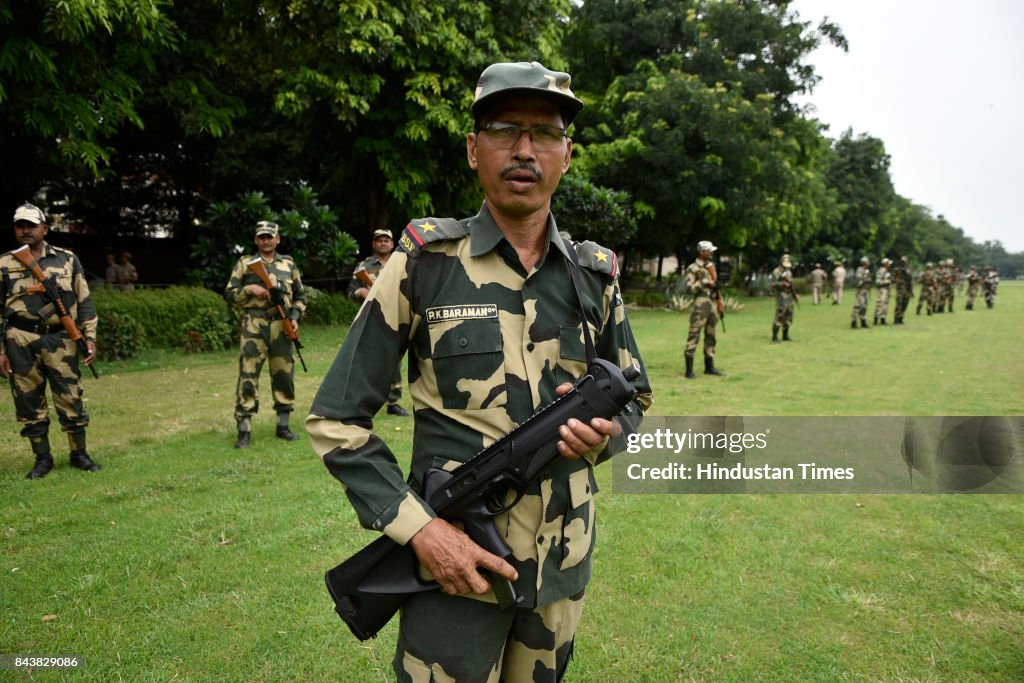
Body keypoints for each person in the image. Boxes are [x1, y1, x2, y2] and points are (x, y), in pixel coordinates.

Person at [306, 61, 652, 681]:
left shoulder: (593, 276)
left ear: (566, 155)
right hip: (453, 572)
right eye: (503, 129)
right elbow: (336, 421)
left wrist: (606, 437)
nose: (524, 150)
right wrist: (422, 534)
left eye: (545, 133)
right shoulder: (424, 265)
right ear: (473, 149)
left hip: (559, 571)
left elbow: (635, 395)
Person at [0, 203, 100, 479]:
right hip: (20, 339)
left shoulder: (67, 260)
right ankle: (42, 459)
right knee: (28, 400)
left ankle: (79, 454)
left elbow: (85, 302)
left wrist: (89, 338)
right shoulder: (4, 264)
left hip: (60, 338)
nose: (26, 230)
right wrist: (1, 350)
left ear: (44, 228)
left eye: (31, 225)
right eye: (21, 225)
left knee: (70, 396)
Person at [224, 220, 307, 448]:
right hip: (254, 324)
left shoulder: (289, 264)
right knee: (248, 374)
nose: (266, 240)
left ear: (277, 239)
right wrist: (250, 290)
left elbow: (301, 296)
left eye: (270, 237)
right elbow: (230, 294)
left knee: (284, 375)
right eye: (261, 237)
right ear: (256, 240)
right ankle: (244, 429)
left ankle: (283, 425)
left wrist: (295, 317)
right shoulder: (245, 264)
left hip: (281, 325)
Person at [347, 228, 409, 416]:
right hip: (370, 320)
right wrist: (361, 292)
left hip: (395, 318)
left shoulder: (402, 264)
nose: (383, 243)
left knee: (394, 361)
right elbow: (350, 293)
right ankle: (362, 401)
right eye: (379, 240)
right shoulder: (363, 267)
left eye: (386, 240)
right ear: (374, 244)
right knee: (365, 360)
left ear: (392, 243)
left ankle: (393, 402)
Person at [682, 240, 724, 378]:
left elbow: (716, 285)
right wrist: (703, 282)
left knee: (711, 334)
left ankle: (709, 366)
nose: (711, 253)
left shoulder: (711, 267)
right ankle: (689, 370)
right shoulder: (692, 268)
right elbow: (689, 288)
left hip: (711, 301)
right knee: (694, 334)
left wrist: (719, 300)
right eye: (709, 251)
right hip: (700, 303)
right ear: (701, 252)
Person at [770, 253, 797, 341]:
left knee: (789, 314)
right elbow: (773, 284)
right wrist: (782, 284)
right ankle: (775, 336)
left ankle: (785, 335)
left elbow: (791, 284)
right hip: (781, 295)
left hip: (789, 296)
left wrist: (795, 294)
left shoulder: (788, 272)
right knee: (780, 314)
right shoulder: (776, 271)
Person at [851, 256, 871, 329]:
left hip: (865, 290)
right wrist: (866, 280)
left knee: (864, 306)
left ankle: (863, 321)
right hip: (861, 290)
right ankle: (854, 321)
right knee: (858, 305)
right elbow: (859, 280)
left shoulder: (866, 270)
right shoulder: (860, 270)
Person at [892, 256, 914, 324]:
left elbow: (911, 281)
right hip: (900, 290)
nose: (903, 263)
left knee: (905, 304)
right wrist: (898, 280)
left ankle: (901, 318)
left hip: (907, 289)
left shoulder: (909, 269)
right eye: (902, 262)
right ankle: (896, 319)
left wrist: (911, 291)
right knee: (899, 304)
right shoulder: (897, 269)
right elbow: (893, 279)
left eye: (904, 262)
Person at [873, 257, 892, 325]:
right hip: (882, 290)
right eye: (888, 263)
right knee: (880, 304)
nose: (889, 265)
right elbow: (878, 282)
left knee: (885, 304)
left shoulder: (887, 271)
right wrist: (887, 281)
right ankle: (876, 318)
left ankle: (883, 319)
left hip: (887, 290)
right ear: (885, 264)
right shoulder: (881, 271)